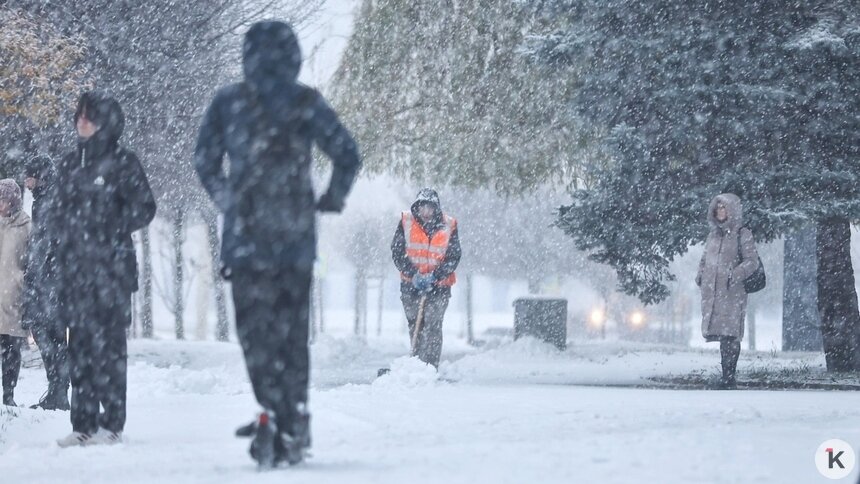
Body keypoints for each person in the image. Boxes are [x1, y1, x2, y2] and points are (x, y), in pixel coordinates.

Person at [194, 20, 360, 467]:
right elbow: (347, 153)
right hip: (294, 241)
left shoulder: (228, 102)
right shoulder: (305, 102)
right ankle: (292, 421)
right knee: (291, 339)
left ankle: (272, 408)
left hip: (247, 243)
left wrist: (226, 196)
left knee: (256, 337)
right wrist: (330, 199)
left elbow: (204, 158)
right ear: (293, 55)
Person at [41, 92, 157, 447]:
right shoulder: (68, 163)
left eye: (89, 116)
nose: (82, 121)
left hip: (113, 272)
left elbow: (145, 207)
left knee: (110, 352)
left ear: (105, 121)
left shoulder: (125, 162)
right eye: (79, 115)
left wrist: (108, 224)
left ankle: (112, 424)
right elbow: (55, 210)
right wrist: (61, 238)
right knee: (80, 353)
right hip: (76, 273)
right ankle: (83, 425)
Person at [391, 188, 461, 368]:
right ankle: (415, 365)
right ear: (417, 207)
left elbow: (453, 256)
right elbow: (397, 252)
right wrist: (413, 274)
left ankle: (429, 367)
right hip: (410, 285)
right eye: (423, 207)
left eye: (430, 208)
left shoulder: (449, 225)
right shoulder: (406, 222)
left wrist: (435, 276)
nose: (426, 212)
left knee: (433, 325)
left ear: (436, 208)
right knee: (415, 325)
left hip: (440, 286)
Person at [20, 155, 70, 411]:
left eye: (29, 176)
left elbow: (49, 243)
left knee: (48, 335)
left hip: (50, 282)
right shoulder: (44, 199)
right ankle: (58, 392)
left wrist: (38, 269)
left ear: (39, 176)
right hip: (47, 280)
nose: (26, 182)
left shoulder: (51, 201)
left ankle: (59, 393)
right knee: (49, 336)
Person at [696, 193, 760, 390]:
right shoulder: (713, 235)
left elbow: (752, 261)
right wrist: (700, 274)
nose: (720, 211)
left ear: (732, 210)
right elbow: (705, 259)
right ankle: (726, 377)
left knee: (730, 335)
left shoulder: (743, 233)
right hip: (714, 292)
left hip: (732, 292)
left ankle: (728, 377)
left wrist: (735, 274)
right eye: (717, 208)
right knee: (722, 334)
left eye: (723, 207)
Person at [0, 179, 31, 407]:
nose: (1, 204)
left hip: (15, 298)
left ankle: (8, 395)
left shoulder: (27, 227)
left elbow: (32, 263)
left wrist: (23, 283)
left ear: (13, 200)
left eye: (3, 199)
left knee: (11, 352)